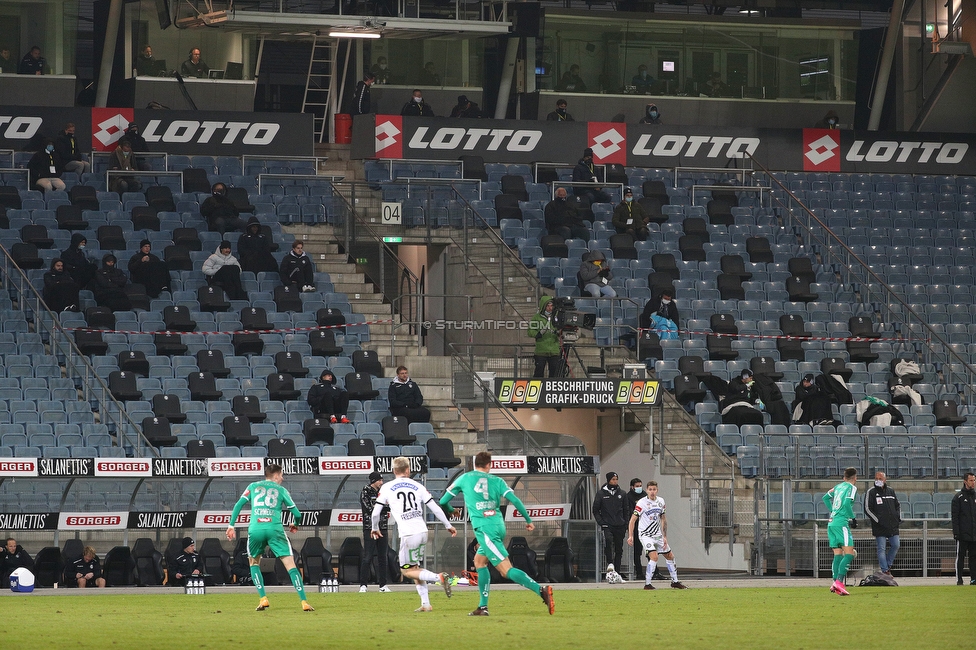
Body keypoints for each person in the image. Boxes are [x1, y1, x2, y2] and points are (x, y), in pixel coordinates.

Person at [438, 451, 554, 616]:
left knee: (505, 569)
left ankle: (541, 590)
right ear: (489, 465)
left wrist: (451, 510)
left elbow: (442, 501)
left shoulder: (465, 478)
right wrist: (528, 520)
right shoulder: (497, 480)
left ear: (474, 464)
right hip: (498, 525)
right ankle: (482, 607)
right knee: (479, 562)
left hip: (485, 529)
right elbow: (515, 500)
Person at [226, 463, 314, 611]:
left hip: (256, 529)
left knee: (254, 564)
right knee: (291, 566)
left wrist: (231, 525)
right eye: (281, 475)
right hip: (275, 529)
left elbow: (238, 505)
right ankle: (304, 601)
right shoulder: (282, 490)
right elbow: (298, 514)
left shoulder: (253, 486)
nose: (283, 478)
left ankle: (263, 598)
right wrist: (295, 524)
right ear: (275, 476)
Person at [372, 457, 456, 612]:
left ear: (393, 471)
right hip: (423, 532)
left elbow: (376, 513)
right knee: (416, 568)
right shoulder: (418, 486)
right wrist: (448, 525)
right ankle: (426, 604)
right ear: (408, 470)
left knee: (406, 570)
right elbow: (435, 508)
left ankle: (439, 578)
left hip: (409, 534)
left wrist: (374, 527)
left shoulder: (387, 487)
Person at [627, 480, 688, 589]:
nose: (652, 492)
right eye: (650, 489)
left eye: (654, 489)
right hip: (645, 535)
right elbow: (632, 520)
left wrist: (664, 536)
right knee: (654, 556)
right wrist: (631, 536)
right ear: (647, 490)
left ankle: (675, 581)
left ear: (657, 490)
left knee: (670, 556)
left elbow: (663, 519)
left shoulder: (661, 501)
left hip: (657, 534)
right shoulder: (641, 503)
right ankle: (647, 584)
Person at [823, 467, 859, 596]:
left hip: (831, 523)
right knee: (849, 554)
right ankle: (839, 583)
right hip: (841, 523)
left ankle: (834, 583)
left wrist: (833, 510)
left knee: (838, 554)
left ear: (844, 477)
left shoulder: (838, 487)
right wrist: (853, 518)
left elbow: (825, 498)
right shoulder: (852, 488)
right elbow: (847, 503)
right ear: (855, 477)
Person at [864, 471, 901, 576]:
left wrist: (897, 517)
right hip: (879, 527)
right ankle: (885, 570)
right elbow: (867, 509)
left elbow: (897, 505)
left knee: (896, 545)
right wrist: (878, 520)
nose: (878, 480)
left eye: (880, 478)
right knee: (881, 548)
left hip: (892, 525)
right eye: (876, 478)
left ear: (885, 480)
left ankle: (888, 564)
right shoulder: (871, 492)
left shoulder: (891, 491)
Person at [359, 471, 390, 593]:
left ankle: (383, 585)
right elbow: (369, 509)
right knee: (368, 557)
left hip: (383, 527)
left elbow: (389, 506)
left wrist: (381, 508)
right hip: (370, 528)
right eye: (379, 480)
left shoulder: (384, 492)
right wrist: (382, 508)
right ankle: (363, 585)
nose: (381, 483)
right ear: (373, 481)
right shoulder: (365, 491)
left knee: (383, 557)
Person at [594, 471, 629, 576]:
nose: (615, 481)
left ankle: (617, 571)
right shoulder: (601, 494)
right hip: (607, 525)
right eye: (613, 479)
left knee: (619, 548)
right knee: (609, 541)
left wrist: (625, 523)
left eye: (616, 479)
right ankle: (610, 563)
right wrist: (601, 523)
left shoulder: (622, 493)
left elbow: (626, 509)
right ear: (608, 480)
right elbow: (595, 510)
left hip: (620, 525)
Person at [529, 296, 563, 378]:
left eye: (551, 306)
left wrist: (559, 332)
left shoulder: (557, 317)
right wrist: (539, 333)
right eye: (548, 306)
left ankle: (552, 390)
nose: (550, 308)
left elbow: (561, 329)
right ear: (543, 306)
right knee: (539, 372)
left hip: (554, 350)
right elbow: (530, 331)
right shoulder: (536, 318)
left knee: (554, 373)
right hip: (541, 350)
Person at [951, 472, 976, 585]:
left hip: (974, 533)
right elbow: (955, 517)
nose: (973, 483)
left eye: (974, 480)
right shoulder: (958, 498)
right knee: (960, 557)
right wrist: (956, 533)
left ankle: (973, 579)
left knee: (973, 557)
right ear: (965, 481)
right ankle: (959, 579)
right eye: (971, 480)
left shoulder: (975, 496)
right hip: (962, 534)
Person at [625, 478, 646, 581]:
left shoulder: (644, 495)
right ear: (632, 487)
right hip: (637, 527)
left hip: (646, 526)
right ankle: (639, 572)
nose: (639, 488)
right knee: (637, 552)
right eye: (637, 486)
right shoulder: (629, 497)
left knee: (650, 550)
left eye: (640, 485)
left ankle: (654, 571)